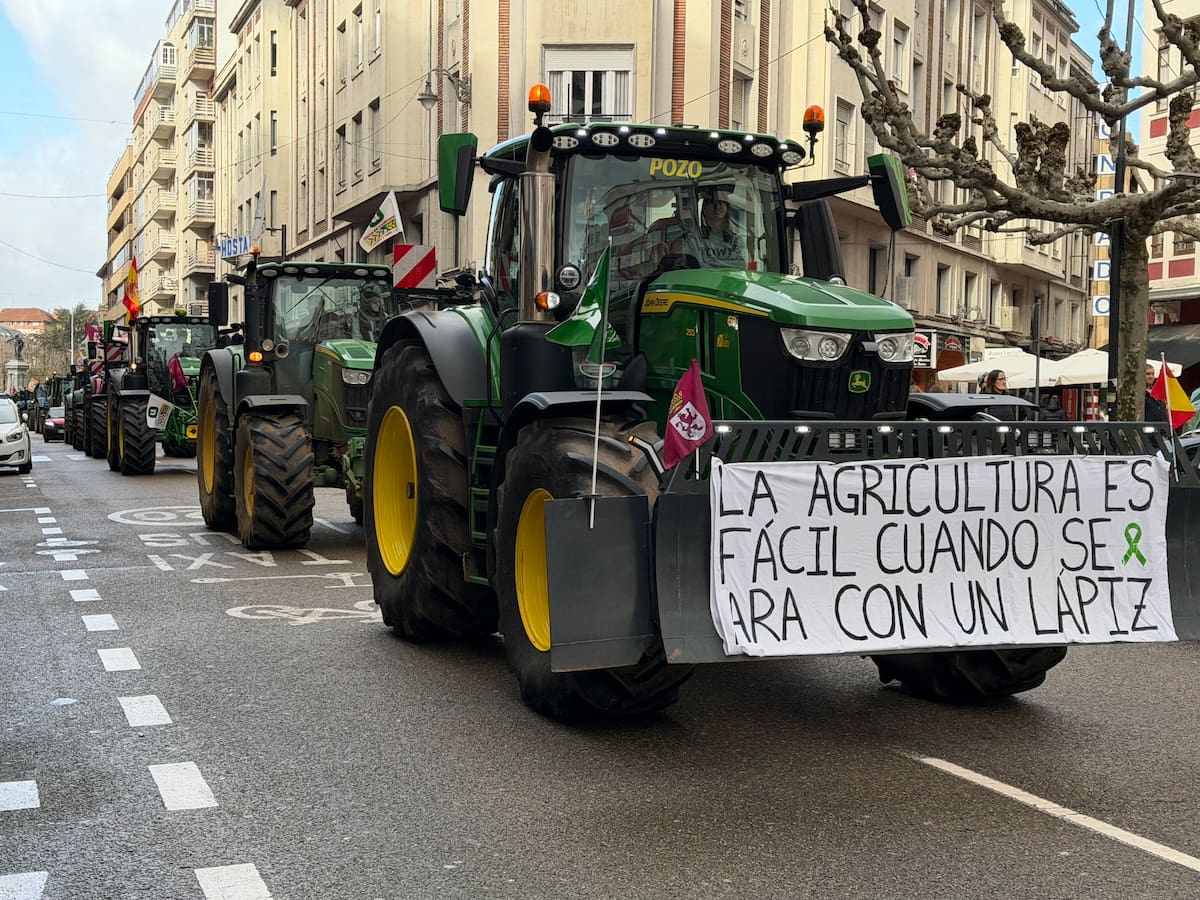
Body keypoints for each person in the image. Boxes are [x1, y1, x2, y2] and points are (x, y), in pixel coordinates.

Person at [686, 190, 748, 268]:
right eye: (712, 202)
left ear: (727, 207)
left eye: (721, 202)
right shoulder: (693, 239)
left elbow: (742, 265)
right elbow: (698, 266)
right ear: (704, 209)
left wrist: (711, 263)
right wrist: (728, 265)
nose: (717, 206)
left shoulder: (736, 239)